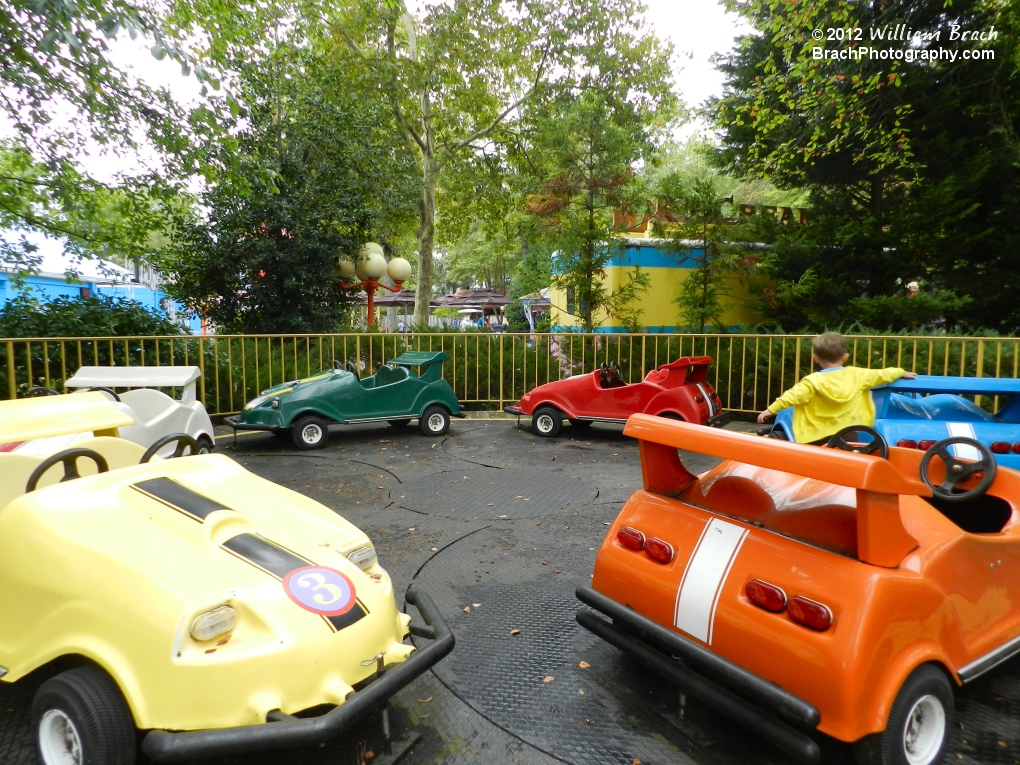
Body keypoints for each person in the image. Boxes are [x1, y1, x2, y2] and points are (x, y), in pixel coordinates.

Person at [756, 331, 917, 445]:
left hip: (815, 436)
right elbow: (882, 375)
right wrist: (901, 372)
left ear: (815, 358)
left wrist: (770, 410)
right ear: (845, 357)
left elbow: (791, 396)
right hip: (848, 433)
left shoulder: (812, 381)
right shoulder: (857, 375)